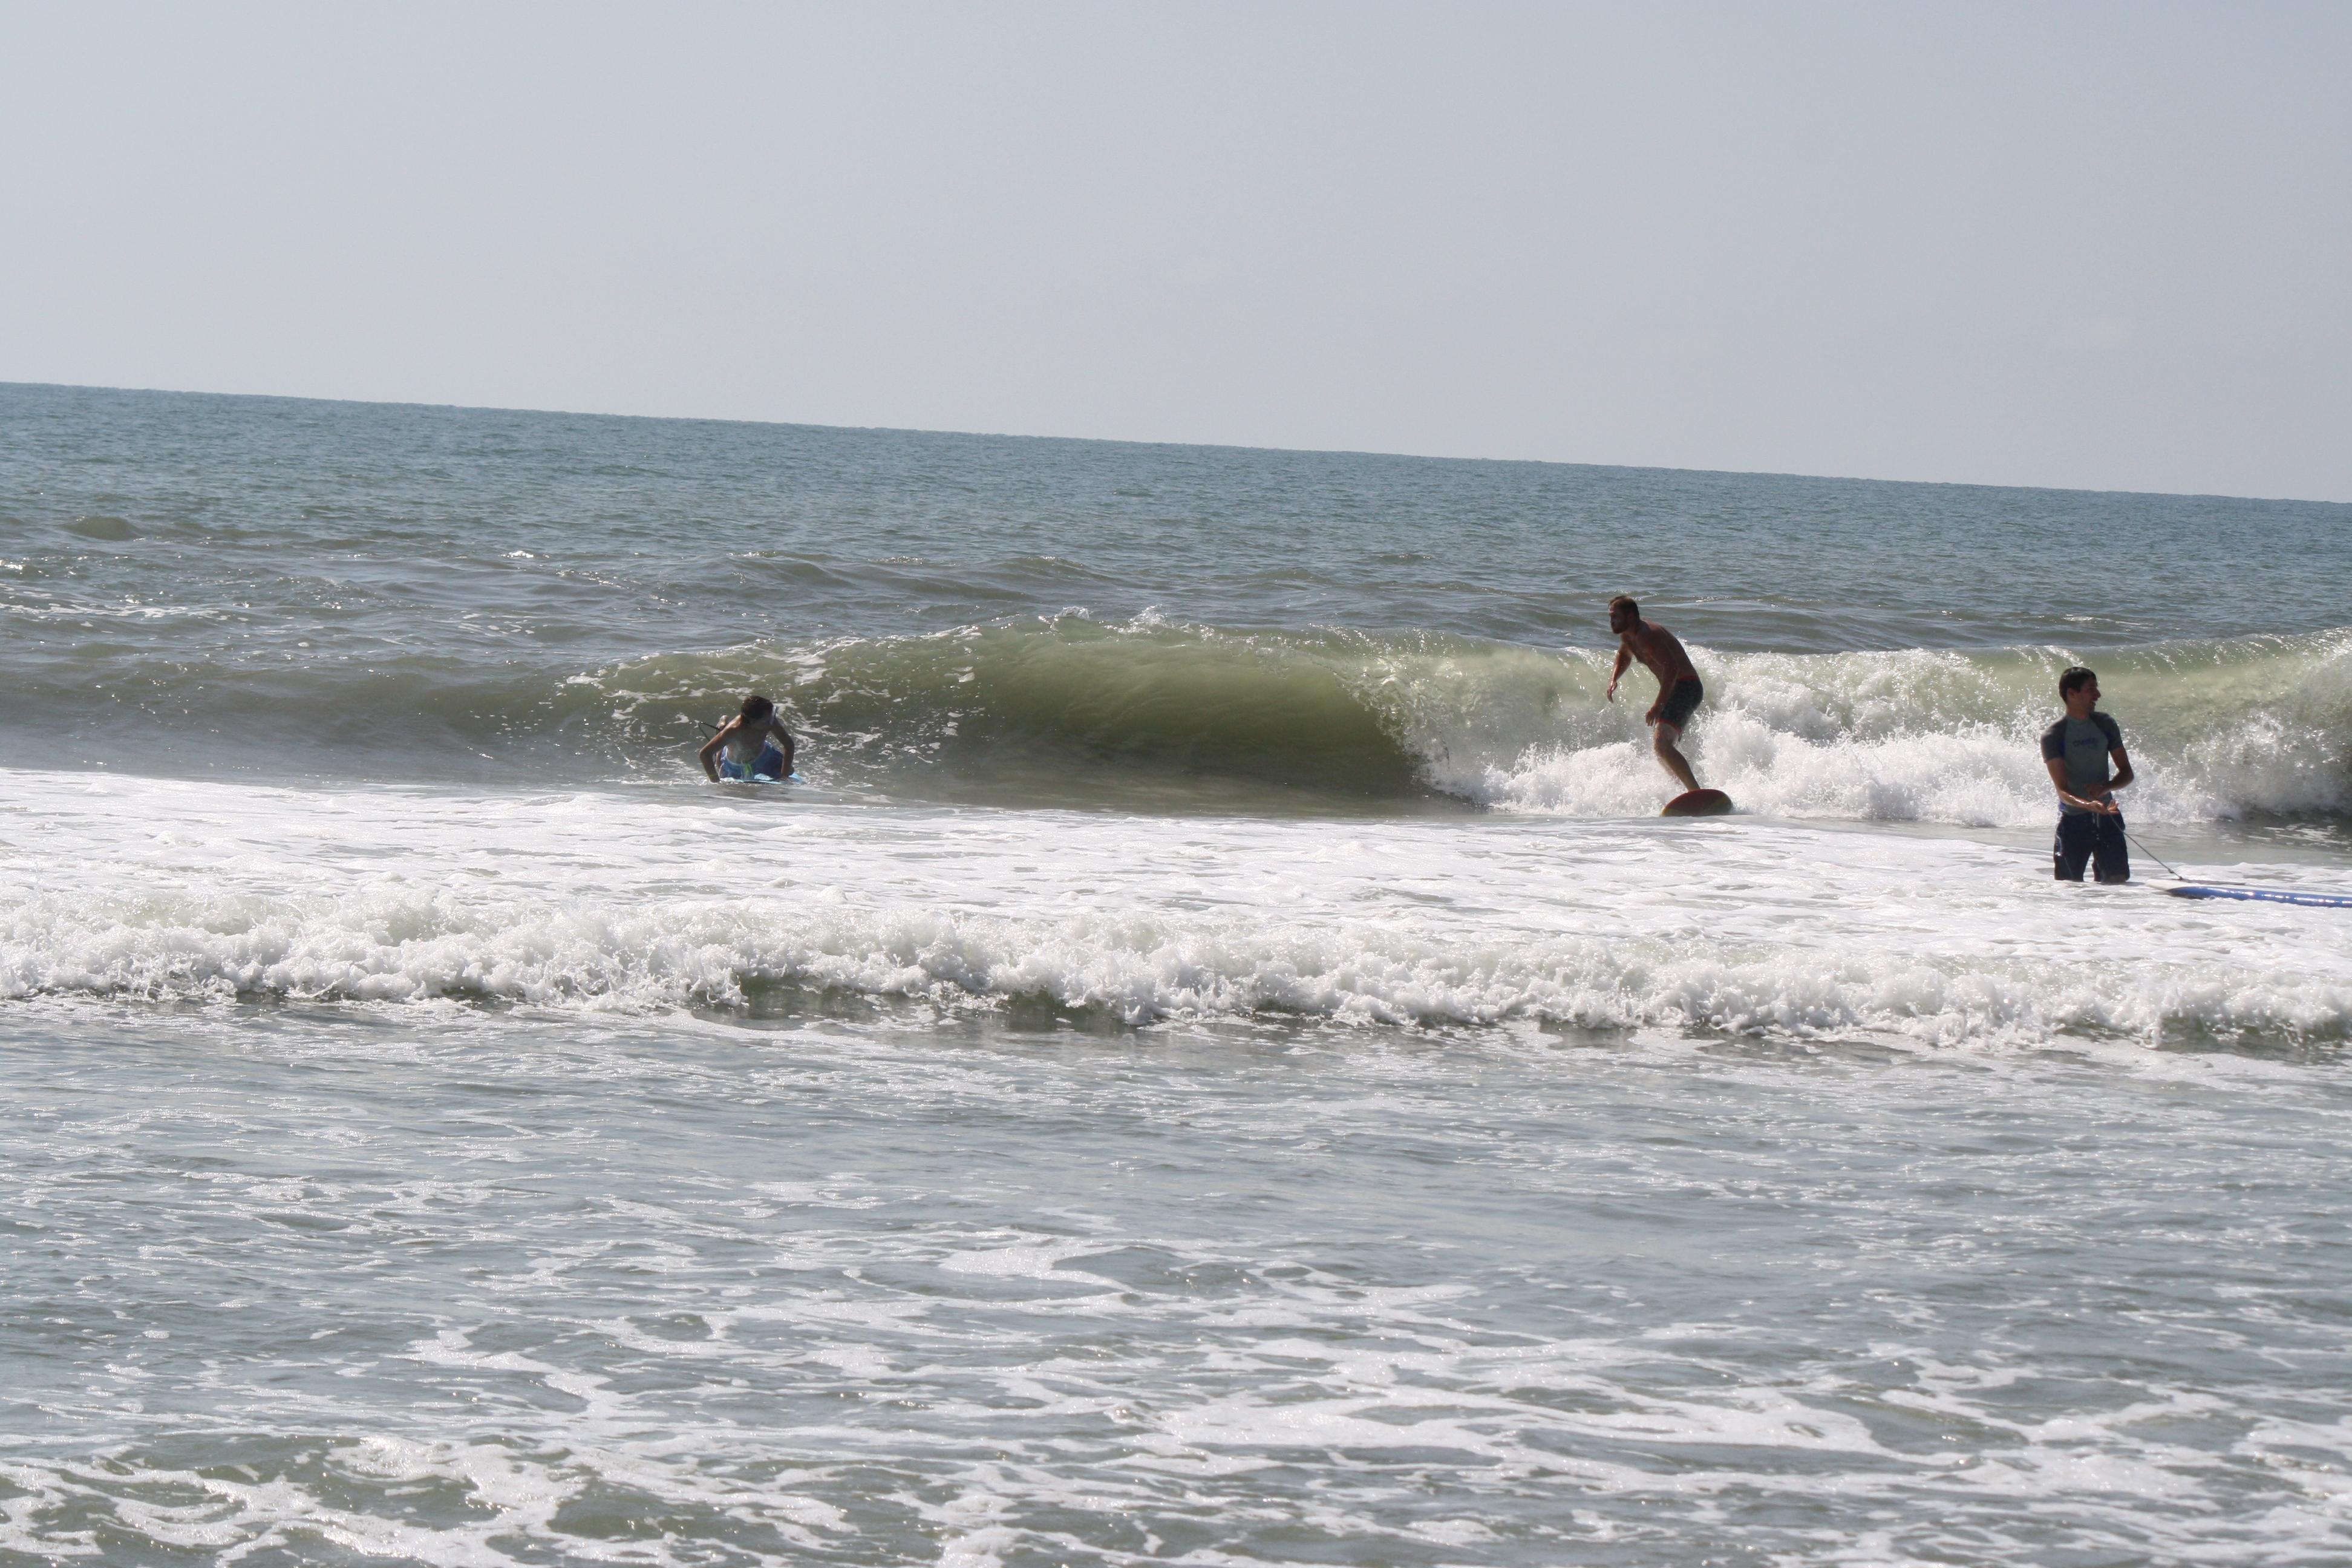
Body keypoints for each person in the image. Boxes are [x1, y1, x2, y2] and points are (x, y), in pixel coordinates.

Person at [2040, 665, 2134, 882]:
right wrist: (2087, 805)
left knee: (2118, 885)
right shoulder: (2054, 735)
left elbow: (2127, 773)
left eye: (2097, 688)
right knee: (2068, 889)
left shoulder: (2105, 724)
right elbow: (2063, 791)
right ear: (2072, 694)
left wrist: (2106, 788)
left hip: (2108, 817)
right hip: (2073, 822)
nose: (2098, 695)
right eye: (2091, 689)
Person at [1605, 595, 1705, 795]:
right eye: (1610, 617)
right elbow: (1624, 655)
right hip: (1676, 690)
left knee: (1662, 744)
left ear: (1631, 617)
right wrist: (1614, 678)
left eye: (1615, 616)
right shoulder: (1628, 636)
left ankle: (1696, 794)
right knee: (1660, 749)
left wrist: (1658, 705)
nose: (1611, 621)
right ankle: (1685, 793)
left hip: (1687, 688)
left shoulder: (1649, 635)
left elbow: (1672, 668)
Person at [701, 693, 797, 782]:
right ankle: (722, 727)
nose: (771, 723)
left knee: (790, 771)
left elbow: (789, 745)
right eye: (766, 721)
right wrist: (714, 780)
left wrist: (784, 776)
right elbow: (705, 754)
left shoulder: (770, 720)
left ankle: (722, 729)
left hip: (764, 756)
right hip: (735, 765)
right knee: (721, 760)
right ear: (751, 722)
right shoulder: (734, 730)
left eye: (772, 716)